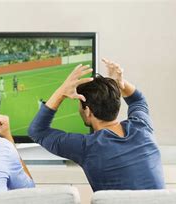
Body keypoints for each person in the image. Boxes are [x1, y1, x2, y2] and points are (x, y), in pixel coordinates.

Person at [28, 59, 164, 192]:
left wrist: (61, 92)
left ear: (88, 111)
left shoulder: (87, 146)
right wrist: (120, 83)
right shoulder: (142, 126)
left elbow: (37, 131)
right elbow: (138, 100)